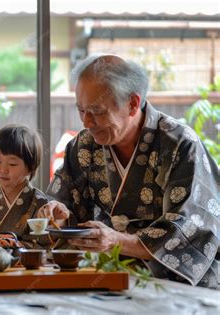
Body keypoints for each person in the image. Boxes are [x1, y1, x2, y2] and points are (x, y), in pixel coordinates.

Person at [38, 54, 219, 288]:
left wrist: (117, 241)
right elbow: (65, 209)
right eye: (81, 110)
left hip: (176, 285)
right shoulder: (83, 146)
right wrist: (58, 218)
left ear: (133, 104)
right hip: (107, 276)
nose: (86, 122)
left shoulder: (179, 144)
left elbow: (189, 229)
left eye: (97, 111)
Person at [0, 124, 50, 246]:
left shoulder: (39, 202)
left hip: (26, 263)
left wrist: (16, 245)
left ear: (30, 168)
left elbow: (44, 244)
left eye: (12, 164)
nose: (3, 169)